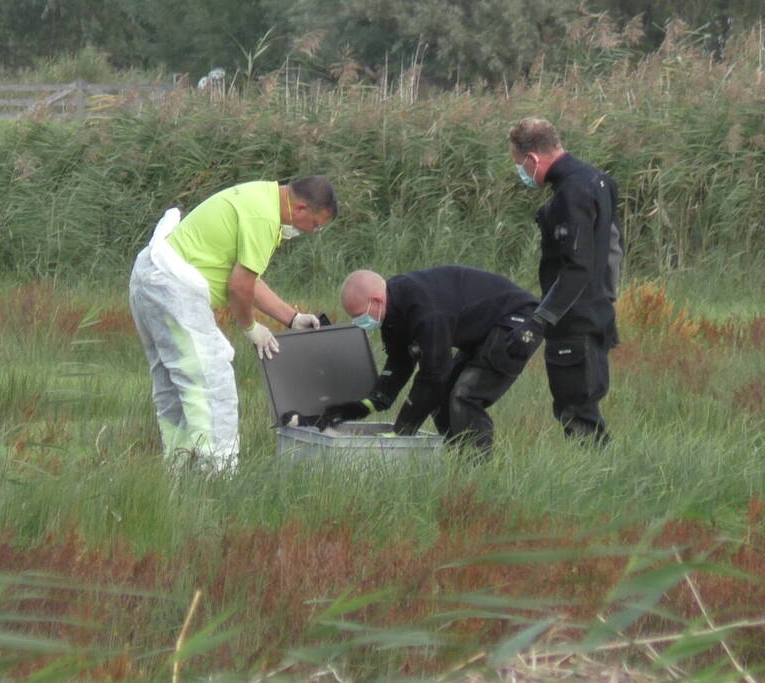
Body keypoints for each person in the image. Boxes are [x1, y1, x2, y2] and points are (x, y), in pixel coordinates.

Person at [129, 176, 338, 471]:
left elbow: (246, 277)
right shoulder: (263, 218)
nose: (313, 232)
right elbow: (240, 288)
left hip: (150, 276)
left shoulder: (261, 197)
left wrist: (291, 318)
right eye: (315, 224)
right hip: (173, 287)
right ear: (301, 208)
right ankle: (217, 474)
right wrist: (251, 328)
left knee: (174, 383)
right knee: (212, 382)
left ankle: (179, 467)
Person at [316, 266, 540, 460]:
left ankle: (478, 469)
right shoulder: (392, 311)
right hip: (482, 331)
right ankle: (455, 459)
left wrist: (403, 430)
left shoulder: (425, 310)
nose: (359, 322)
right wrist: (364, 405)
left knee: (464, 395)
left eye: (359, 315)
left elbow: (434, 375)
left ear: (376, 300)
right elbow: (399, 363)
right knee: (440, 399)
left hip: (518, 322)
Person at [507, 117, 624, 443]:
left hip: (574, 322)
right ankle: (603, 479)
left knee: (577, 415)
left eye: (520, 165)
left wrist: (539, 321)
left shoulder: (570, 194)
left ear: (532, 158)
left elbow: (576, 267)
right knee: (585, 409)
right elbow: (614, 248)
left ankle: (599, 483)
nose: (522, 174)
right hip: (598, 314)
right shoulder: (598, 181)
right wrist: (606, 302)